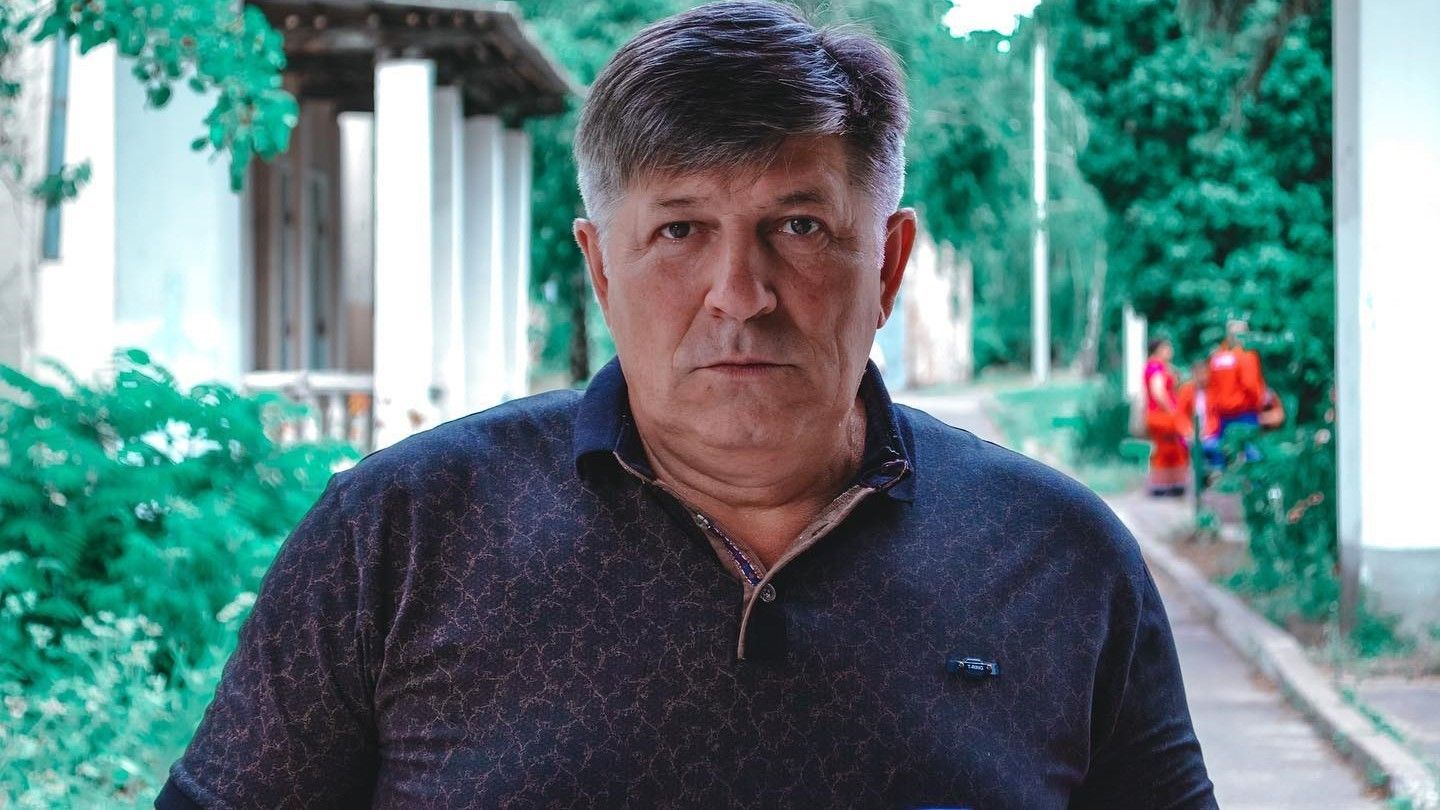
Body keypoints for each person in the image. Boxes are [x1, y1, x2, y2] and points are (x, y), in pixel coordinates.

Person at [157, 2, 1215, 807]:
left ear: (889, 263)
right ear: (598, 266)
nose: (739, 295)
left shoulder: (1061, 560)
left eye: (798, 226)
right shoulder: (397, 540)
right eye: (679, 230)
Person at [1206, 319, 1266, 461]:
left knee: (1224, 453)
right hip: (1245, 412)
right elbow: (1250, 384)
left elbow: (1211, 388)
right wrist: (1259, 403)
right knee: (1251, 453)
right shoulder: (1246, 356)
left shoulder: (1217, 358)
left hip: (1222, 415)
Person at [1143, 338, 1189, 497]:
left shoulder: (1157, 366)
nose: (1170, 351)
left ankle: (1169, 484)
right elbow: (1158, 392)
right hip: (1162, 416)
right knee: (1170, 449)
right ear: (1158, 349)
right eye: (1167, 348)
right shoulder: (1156, 367)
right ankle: (1165, 484)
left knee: (1167, 449)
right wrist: (1172, 410)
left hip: (1158, 415)